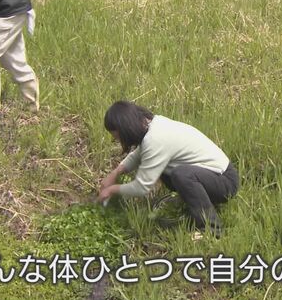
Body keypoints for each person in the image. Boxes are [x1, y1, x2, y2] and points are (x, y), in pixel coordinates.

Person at [98, 101, 240, 238]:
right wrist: (115, 173)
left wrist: (111, 190)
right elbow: (139, 154)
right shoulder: (153, 124)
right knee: (168, 171)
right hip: (210, 175)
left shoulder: (155, 139)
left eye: (118, 137)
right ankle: (196, 201)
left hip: (225, 182)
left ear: (126, 130)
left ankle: (212, 229)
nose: (119, 141)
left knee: (181, 174)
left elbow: (142, 187)